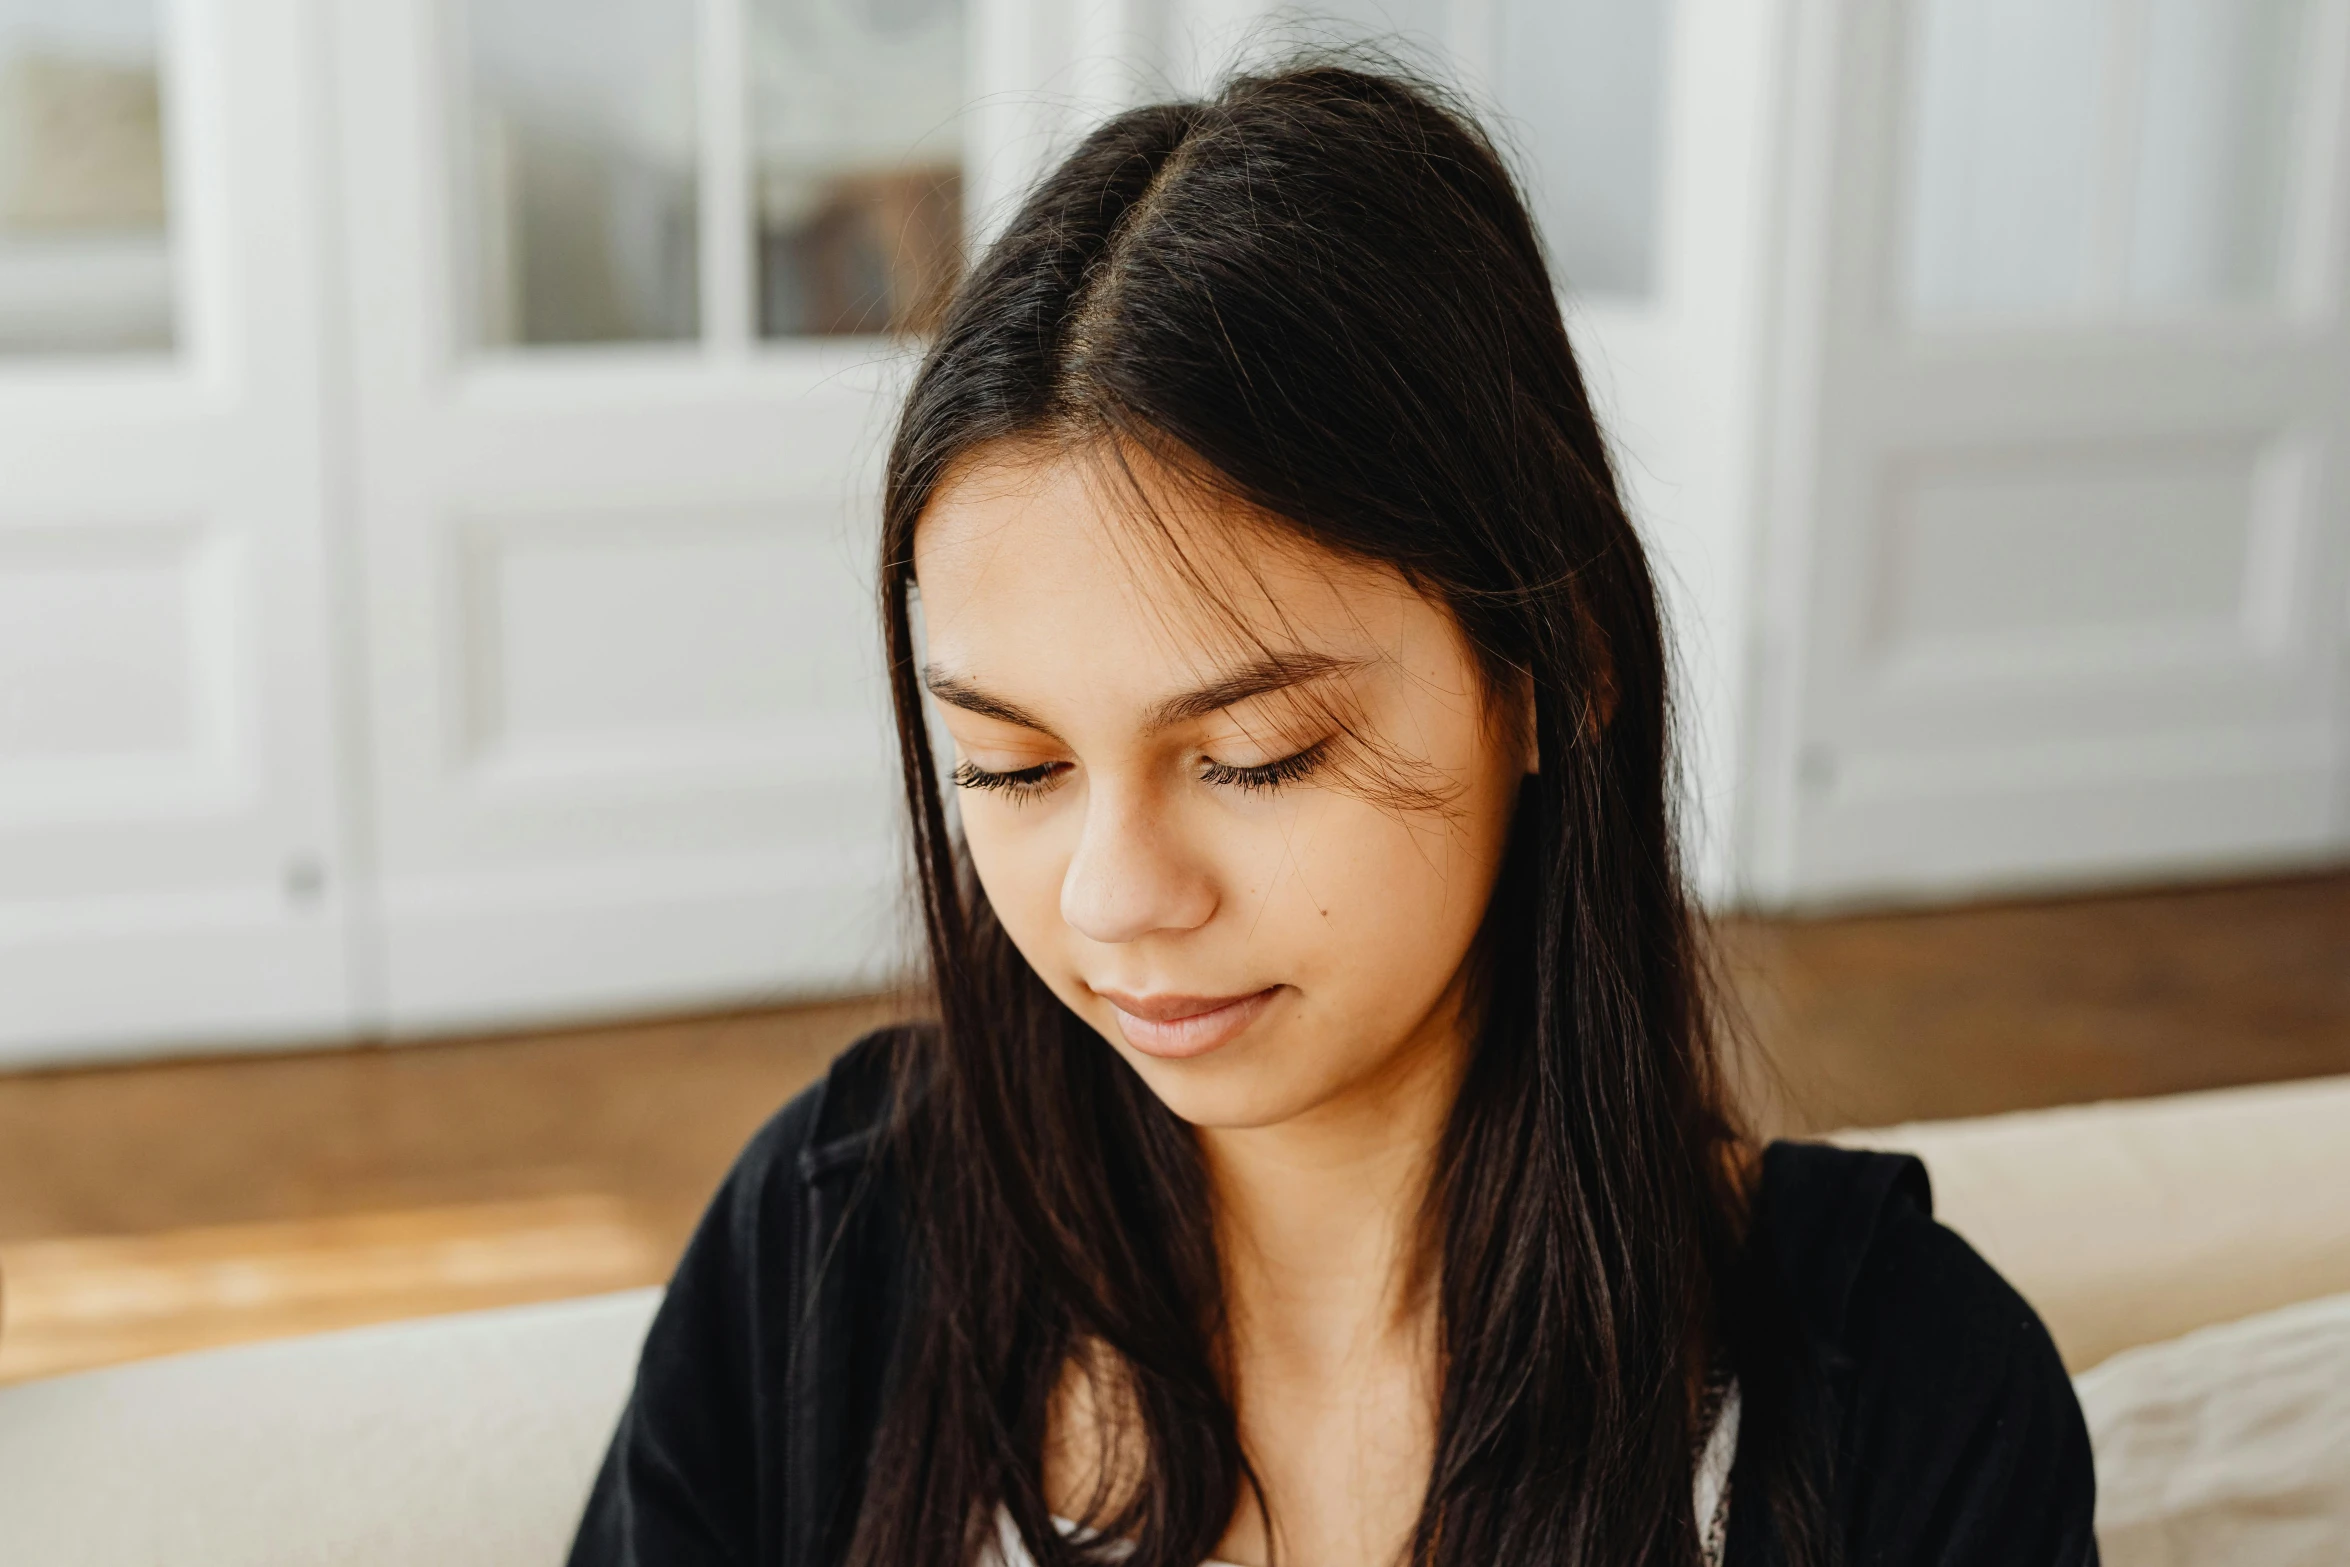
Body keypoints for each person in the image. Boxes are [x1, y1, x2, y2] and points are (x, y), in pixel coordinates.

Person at [568, 61, 2097, 1567]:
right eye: (1011, 766)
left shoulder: (1902, 1396)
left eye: (1255, 754)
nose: (1112, 895)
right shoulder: (826, 1245)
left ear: (1555, 670)